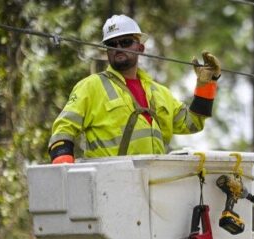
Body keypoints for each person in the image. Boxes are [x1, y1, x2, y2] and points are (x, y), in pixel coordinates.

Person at [49, 14, 221, 163]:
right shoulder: (91, 87)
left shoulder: (159, 92)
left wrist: (206, 84)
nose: (118, 48)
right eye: (112, 44)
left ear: (140, 48)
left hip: (154, 184)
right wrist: (63, 168)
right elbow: (63, 129)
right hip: (109, 184)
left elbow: (192, 124)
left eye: (125, 42)